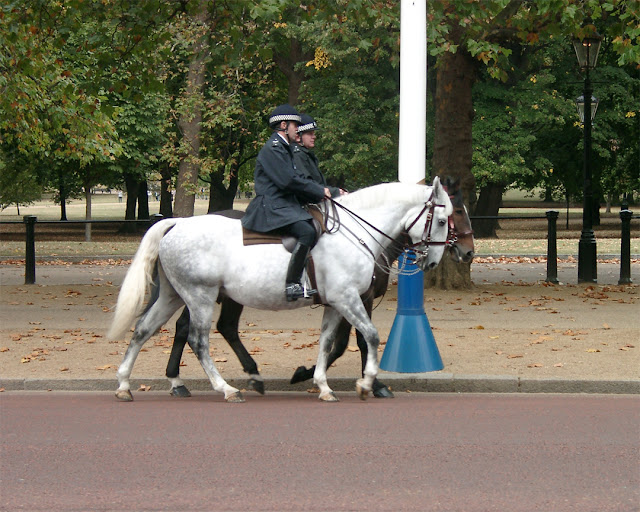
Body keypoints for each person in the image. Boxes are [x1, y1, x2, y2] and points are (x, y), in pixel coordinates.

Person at [241, 104, 331, 302]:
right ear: (284, 125)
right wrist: (319, 190)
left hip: (284, 203)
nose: (297, 130)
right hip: (272, 205)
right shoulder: (273, 149)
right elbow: (288, 180)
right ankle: (292, 283)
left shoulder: (284, 148)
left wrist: (323, 192)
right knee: (306, 231)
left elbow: (297, 178)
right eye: (295, 125)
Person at [293, 113, 344, 197]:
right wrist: (334, 192)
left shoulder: (306, 154)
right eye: (309, 134)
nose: (314, 137)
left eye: (313, 133)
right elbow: (308, 185)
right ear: (298, 136)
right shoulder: (297, 155)